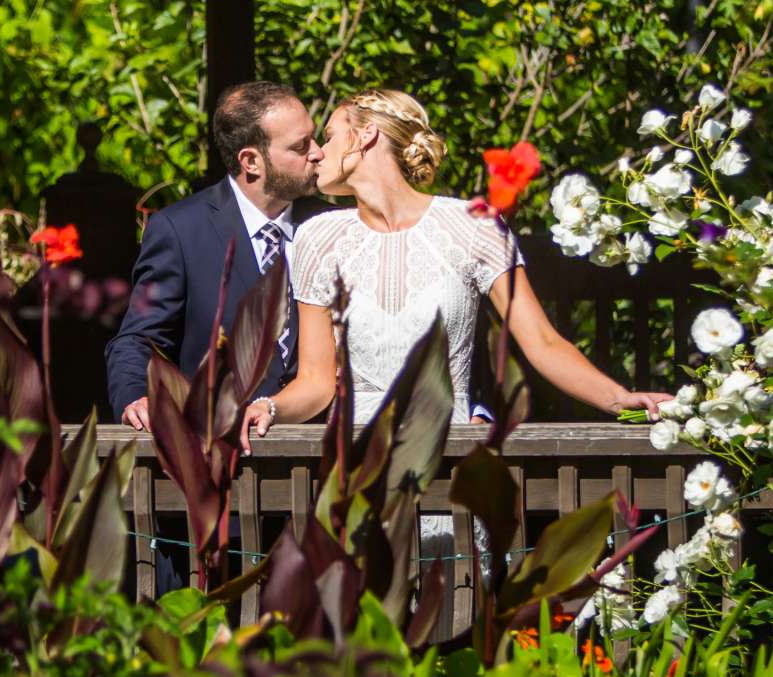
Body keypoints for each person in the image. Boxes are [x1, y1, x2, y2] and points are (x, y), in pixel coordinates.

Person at [244, 88, 672, 438]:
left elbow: (541, 342)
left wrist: (620, 398)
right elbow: (317, 383)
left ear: (366, 136)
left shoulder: (473, 225)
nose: (316, 153)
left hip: (449, 452)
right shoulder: (317, 238)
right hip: (358, 464)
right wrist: (269, 407)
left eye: (330, 135)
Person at [105, 81, 329, 432]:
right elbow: (138, 339)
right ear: (251, 161)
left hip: (322, 445)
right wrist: (136, 396)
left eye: (313, 139)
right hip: (221, 449)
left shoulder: (330, 224)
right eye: (301, 146)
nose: (318, 153)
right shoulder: (180, 231)